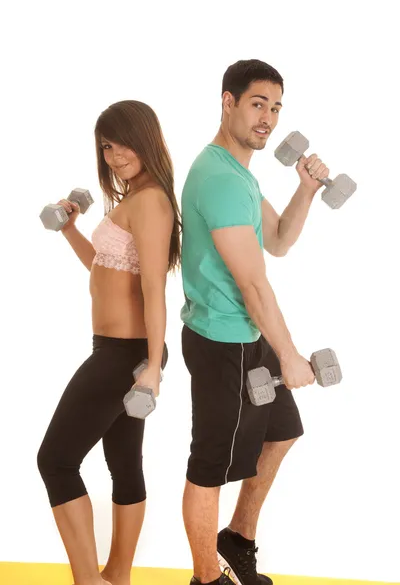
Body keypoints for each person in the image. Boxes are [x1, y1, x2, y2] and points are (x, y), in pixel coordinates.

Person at [180, 60, 330, 585]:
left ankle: (237, 539)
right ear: (228, 102)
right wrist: (289, 354)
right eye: (257, 103)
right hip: (223, 342)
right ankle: (206, 579)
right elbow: (253, 284)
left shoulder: (239, 173)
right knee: (210, 467)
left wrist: (306, 190)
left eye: (276, 107)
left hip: (249, 335)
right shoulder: (218, 179)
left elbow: (281, 241)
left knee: (283, 432)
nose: (268, 117)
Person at [37, 100, 181, 585]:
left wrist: (154, 368)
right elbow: (105, 268)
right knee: (123, 463)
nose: (115, 154)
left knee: (55, 460)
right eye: (106, 146)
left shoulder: (152, 201)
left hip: (128, 355)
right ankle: (116, 576)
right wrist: (70, 230)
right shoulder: (133, 198)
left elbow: (154, 288)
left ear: (146, 138)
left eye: (122, 142)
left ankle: (88, 581)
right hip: (118, 350)